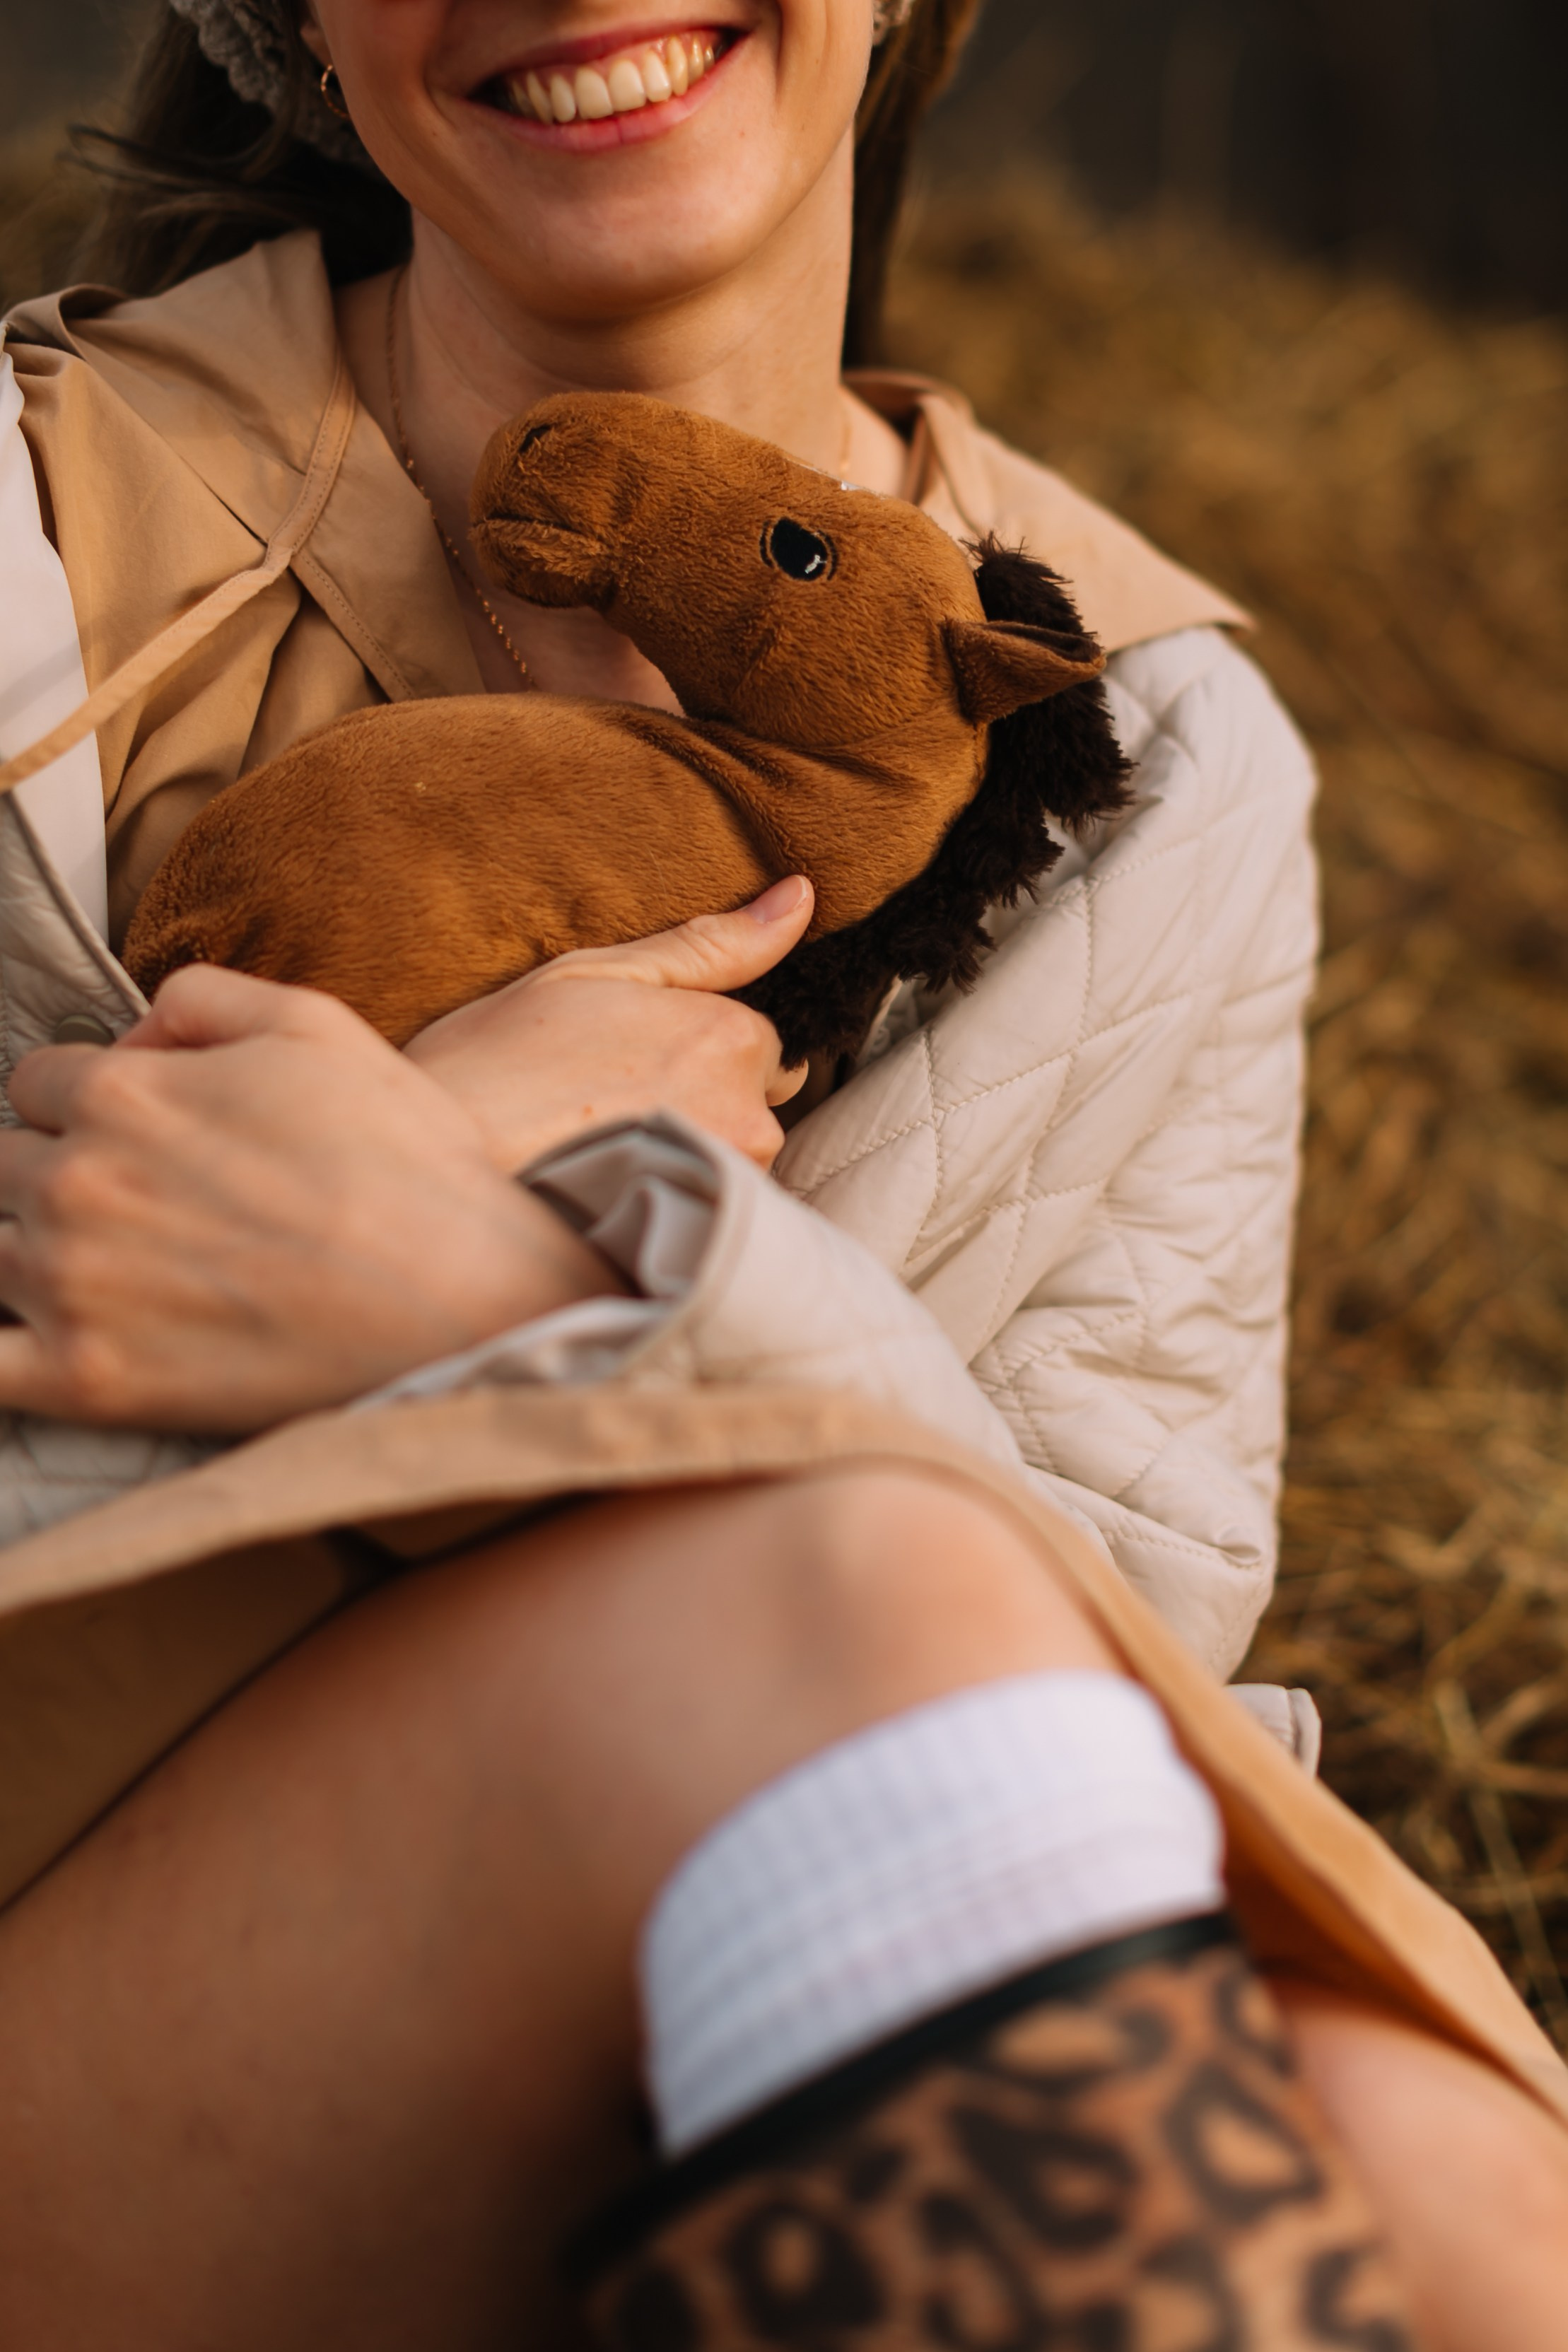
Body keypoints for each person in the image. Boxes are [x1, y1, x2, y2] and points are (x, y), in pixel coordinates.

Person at [0, 4, 1565, 2346]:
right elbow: (933, 1622)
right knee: (840, 1601)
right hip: (108, 1982)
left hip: (739, 1992)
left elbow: (1121, 1634)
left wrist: (517, 1284)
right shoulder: (39, 552)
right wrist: (457, 1255)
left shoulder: (1161, 757)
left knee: (1450, 2189)